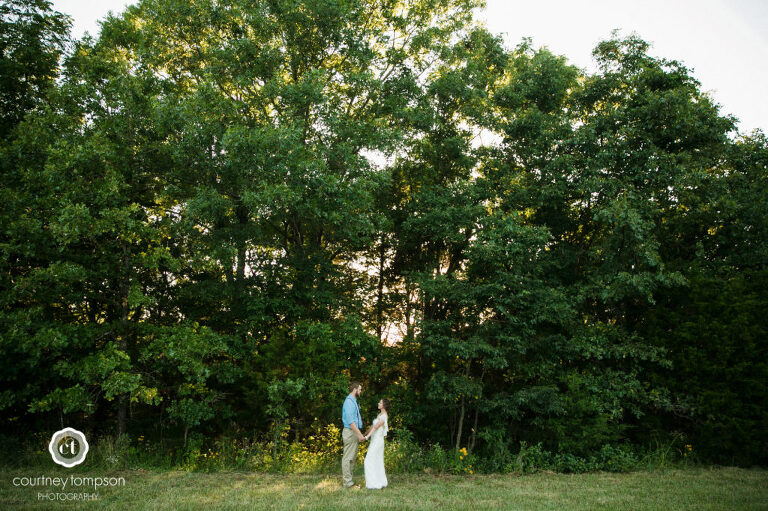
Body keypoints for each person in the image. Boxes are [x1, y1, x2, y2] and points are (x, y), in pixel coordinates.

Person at [341, 381, 365, 488]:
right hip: (350, 432)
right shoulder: (349, 402)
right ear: (355, 390)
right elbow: (351, 421)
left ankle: (349, 482)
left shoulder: (353, 401)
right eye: (359, 389)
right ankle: (347, 483)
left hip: (353, 432)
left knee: (352, 458)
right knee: (348, 458)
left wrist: (358, 433)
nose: (360, 391)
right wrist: (359, 435)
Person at [363, 398, 390, 490]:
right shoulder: (380, 415)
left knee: (368, 460)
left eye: (380, 402)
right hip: (374, 441)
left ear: (384, 405)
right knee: (376, 460)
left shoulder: (384, 416)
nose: (378, 403)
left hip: (378, 441)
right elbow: (372, 427)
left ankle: (373, 483)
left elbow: (376, 427)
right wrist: (364, 435)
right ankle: (380, 481)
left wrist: (367, 437)